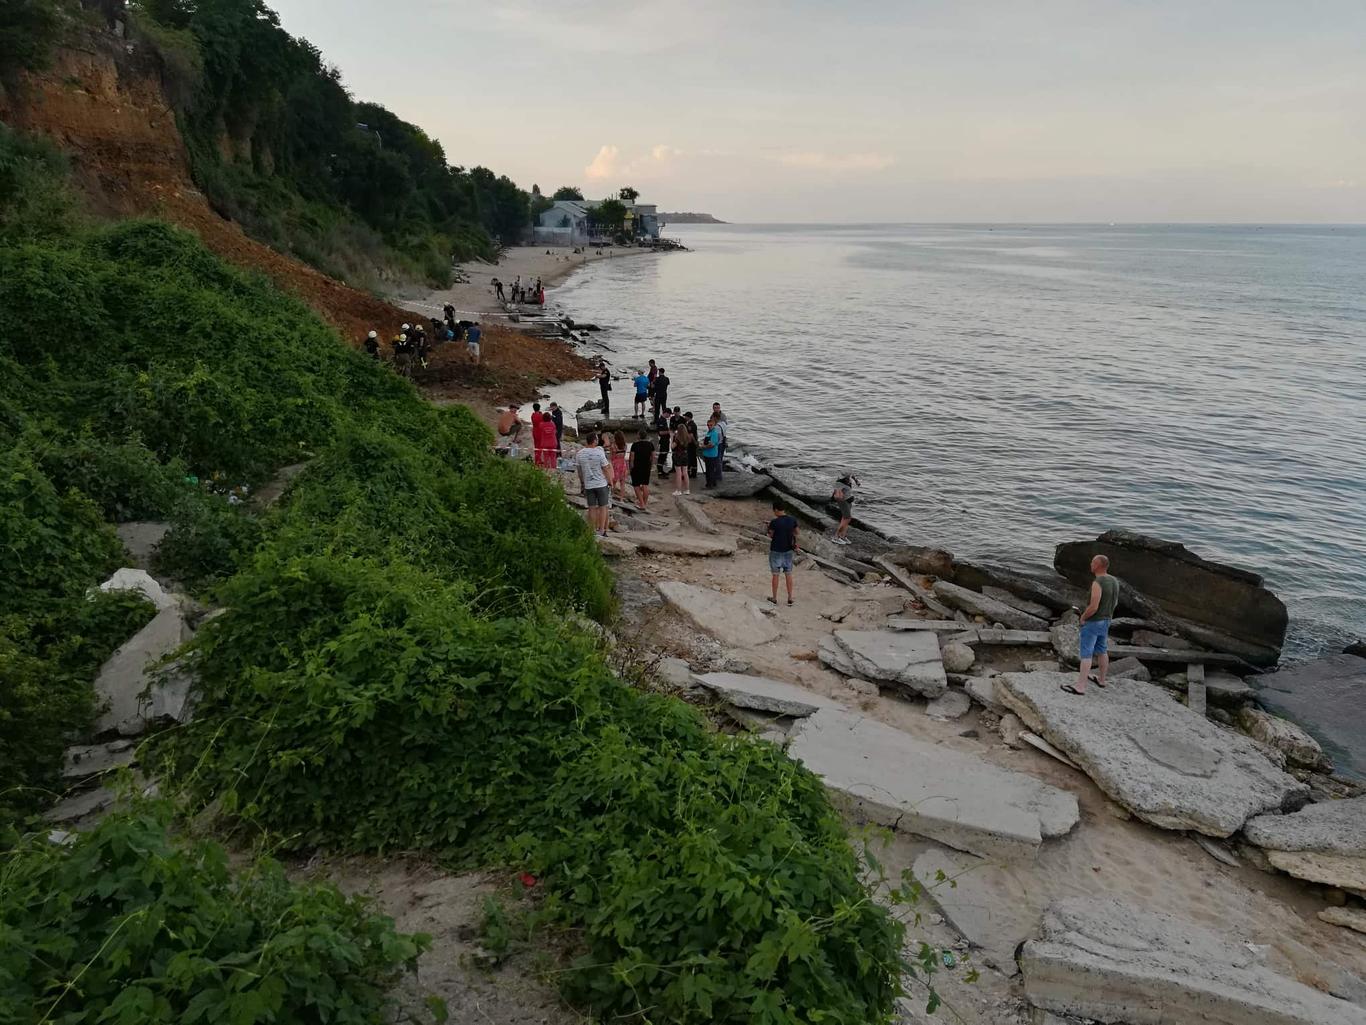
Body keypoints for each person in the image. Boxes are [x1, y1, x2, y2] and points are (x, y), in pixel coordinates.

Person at [1065, 555, 1120, 696]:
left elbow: (1094, 606)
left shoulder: (1098, 582)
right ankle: (1102, 680)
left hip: (1094, 622)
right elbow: (1115, 603)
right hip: (1106, 620)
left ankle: (1080, 687)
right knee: (1102, 650)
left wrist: (1083, 617)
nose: (1090, 564)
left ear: (1098, 565)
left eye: (1092, 562)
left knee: (1086, 653)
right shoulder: (1114, 581)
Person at [575, 432, 613, 536]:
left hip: (589, 485)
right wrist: (610, 481)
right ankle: (601, 530)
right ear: (594, 441)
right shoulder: (599, 453)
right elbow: (605, 468)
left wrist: (582, 482)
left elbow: (579, 471)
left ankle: (592, 530)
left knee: (591, 508)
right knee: (603, 507)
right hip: (601, 483)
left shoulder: (580, 454)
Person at [767, 497, 799, 606]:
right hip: (788, 550)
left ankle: (774, 598)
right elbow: (797, 532)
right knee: (788, 574)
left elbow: (771, 534)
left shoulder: (774, 522)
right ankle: (790, 597)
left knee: (775, 575)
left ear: (776, 510)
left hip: (776, 550)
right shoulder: (792, 520)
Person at [629, 428, 655, 509]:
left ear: (639, 436)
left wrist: (631, 467)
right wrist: (651, 464)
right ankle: (644, 503)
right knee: (645, 484)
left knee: (636, 485)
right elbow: (653, 456)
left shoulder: (635, 445)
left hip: (637, 466)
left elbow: (632, 457)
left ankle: (642, 503)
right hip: (646, 465)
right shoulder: (650, 444)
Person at [831, 474, 858, 545]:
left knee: (845, 518)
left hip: (848, 501)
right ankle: (836, 537)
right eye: (847, 477)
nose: (849, 478)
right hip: (844, 502)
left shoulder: (847, 481)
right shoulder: (839, 483)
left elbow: (853, 476)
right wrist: (841, 498)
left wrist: (856, 481)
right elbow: (836, 496)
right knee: (847, 518)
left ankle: (842, 536)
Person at [700, 416, 722, 488]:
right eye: (708, 425)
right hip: (707, 454)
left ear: (714, 425)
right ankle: (712, 483)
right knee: (709, 469)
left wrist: (703, 447)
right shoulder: (709, 432)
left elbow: (712, 445)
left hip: (712, 455)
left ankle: (710, 484)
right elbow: (707, 442)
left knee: (710, 470)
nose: (709, 426)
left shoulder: (714, 433)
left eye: (711, 425)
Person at [671, 424, 693, 496]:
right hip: (685, 455)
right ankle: (687, 489)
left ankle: (678, 490)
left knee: (678, 473)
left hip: (678, 455)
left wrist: (672, 438)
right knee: (685, 472)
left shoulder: (677, 438)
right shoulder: (687, 437)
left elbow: (672, 446)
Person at [609, 430, 629, 501]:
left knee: (613, 482)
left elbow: (611, 457)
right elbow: (624, 455)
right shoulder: (625, 445)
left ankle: (611, 496)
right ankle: (621, 499)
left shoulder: (613, 446)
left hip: (615, 464)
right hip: (623, 464)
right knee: (622, 483)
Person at [711, 402, 728, 479]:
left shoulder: (723, 416)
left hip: (720, 439)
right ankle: (717, 472)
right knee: (718, 458)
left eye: (718, 408)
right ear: (713, 408)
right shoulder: (712, 415)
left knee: (718, 458)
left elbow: (723, 429)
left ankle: (718, 474)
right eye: (715, 408)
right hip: (719, 438)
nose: (716, 409)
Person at [654, 415, 672, 479]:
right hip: (663, 441)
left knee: (664, 456)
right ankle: (660, 472)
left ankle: (661, 471)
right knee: (662, 456)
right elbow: (661, 432)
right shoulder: (661, 420)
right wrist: (669, 431)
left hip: (666, 441)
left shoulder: (664, 420)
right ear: (666, 413)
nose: (669, 416)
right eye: (669, 414)